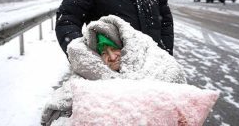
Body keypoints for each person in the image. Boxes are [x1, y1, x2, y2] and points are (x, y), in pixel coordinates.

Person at [41, 15, 186, 126]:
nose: (111, 57)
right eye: (104, 52)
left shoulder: (153, 64)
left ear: (125, 46)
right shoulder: (88, 78)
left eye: (114, 48)